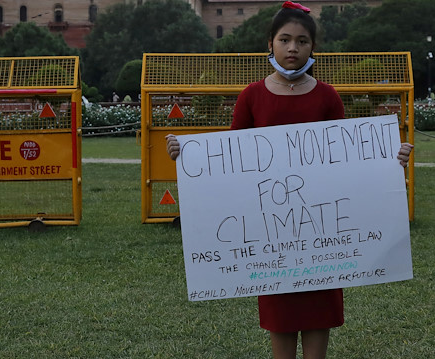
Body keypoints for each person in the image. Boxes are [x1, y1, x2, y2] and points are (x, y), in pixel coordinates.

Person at [166, 2, 413, 358]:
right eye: (285, 40)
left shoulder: (327, 97)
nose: (293, 48)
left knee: (318, 321)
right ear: (270, 43)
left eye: (302, 41)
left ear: (313, 47)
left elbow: (350, 162)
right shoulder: (252, 95)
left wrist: (392, 160)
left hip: (323, 236)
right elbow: (231, 159)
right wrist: (186, 154)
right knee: (280, 322)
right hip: (273, 239)